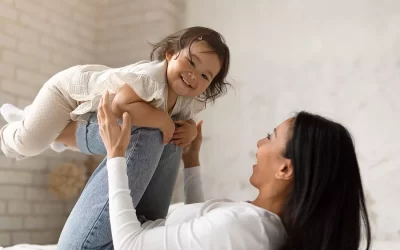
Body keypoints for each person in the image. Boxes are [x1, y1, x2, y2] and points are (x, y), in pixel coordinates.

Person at [92, 92, 372, 250]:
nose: (260, 143)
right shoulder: (258, 224)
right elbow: (195, 234)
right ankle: (67, 134)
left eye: (270, 137)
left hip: (110, 243)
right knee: (169, 133)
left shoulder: (244, 228)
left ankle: (67, 134)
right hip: (137, 226)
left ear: (286, 168)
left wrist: (115, 154)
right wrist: (192, 163)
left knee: (146, 134)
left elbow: (129, 246)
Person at [0, 26, 230, 159]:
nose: (193, 75)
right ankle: (11, 130)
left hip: (88, 105)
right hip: (69, 91)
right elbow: (119, 107)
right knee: (27, 145)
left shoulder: (187, 99)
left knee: (44, 136)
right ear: (170, 54)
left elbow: (183, 119)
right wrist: (161, 119)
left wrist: (189, 130)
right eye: (191, 62)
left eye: (204, 76)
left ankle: (32, 119)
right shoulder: (149, 79)